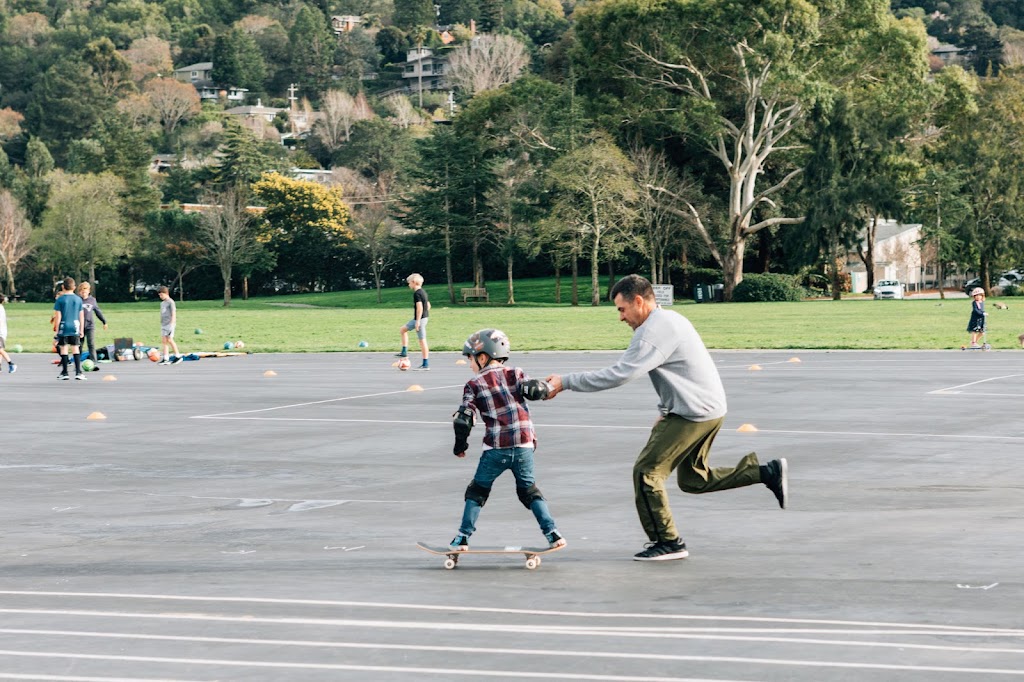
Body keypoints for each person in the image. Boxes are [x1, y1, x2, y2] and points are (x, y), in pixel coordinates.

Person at [544, 274, 787, 562]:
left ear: (638, 301)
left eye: (622, 309)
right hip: (706, 409)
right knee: (694, 480)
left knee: (647, 472)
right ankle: (767, 472)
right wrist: (664, 411)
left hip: (693, 413)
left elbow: (621, 373)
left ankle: (668, 542)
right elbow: (676, 373)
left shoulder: (653, 331)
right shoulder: (669, 320)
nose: (621, 318)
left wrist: (565, 381)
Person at [448, 328, 565, 552]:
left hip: (496, 448)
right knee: (529, 491)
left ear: (483, 357)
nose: (470, 364)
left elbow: (463, 420)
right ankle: (553, 533)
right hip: (524, 445)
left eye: (470, 359)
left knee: (477, 491)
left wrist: (460, 446)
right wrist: (547, 387)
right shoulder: (517, 373)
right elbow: (535, 389)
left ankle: (462, 538)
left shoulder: (474, 384)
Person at [53, 276, 86, 380]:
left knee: (64, 348)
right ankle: (78, 372)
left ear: (63, 287)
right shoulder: (78, 299)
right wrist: (81, 330)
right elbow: (81, 316)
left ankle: (65, 372)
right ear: (74, 287)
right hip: (75, 326)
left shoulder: (60, 300)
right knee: (75, 348)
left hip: (64, 325)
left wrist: (57, 331)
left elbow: (58, 316)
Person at [396, 273, 430, 370]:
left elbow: (419, 308)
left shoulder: (417, 293)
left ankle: (425, 364)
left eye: (409, 283)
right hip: (422, 318)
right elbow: (428, 305)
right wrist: (425, 314)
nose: (408, 285)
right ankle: (404, 351)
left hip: (420, 319)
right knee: (403, 329)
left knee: (422, 341)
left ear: (414, 282)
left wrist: (418, 321)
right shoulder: (423, 292)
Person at [76, 281, 107, 363]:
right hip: (79, 327)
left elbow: (98, 312)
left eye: (85, 291)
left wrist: (104, 322)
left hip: (90, 326)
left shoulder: (92, 300)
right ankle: (77, 362)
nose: (83, 293)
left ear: (89, 291)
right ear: (79, 292)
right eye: (81, 291)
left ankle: (94, 362)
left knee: (91, 344)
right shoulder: (77, 300)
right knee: (79, 345)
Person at [157, 286, 183, 364]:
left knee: (170, 340)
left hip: (169, 324)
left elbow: (173, 313)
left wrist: (172, 324)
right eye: (160, 295)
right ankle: (165, 358)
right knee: (164, 341)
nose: (161, 297)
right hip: (164, 324)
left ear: (166, 293)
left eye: (162, 295)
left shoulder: (171, 302)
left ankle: (178, 356)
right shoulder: (162, 303)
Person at [0, 294, 15, 374]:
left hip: (0, 333)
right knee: (0, 350)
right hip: (2, 332)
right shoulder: (1, 307)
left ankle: (11, 363)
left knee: (0, 349)